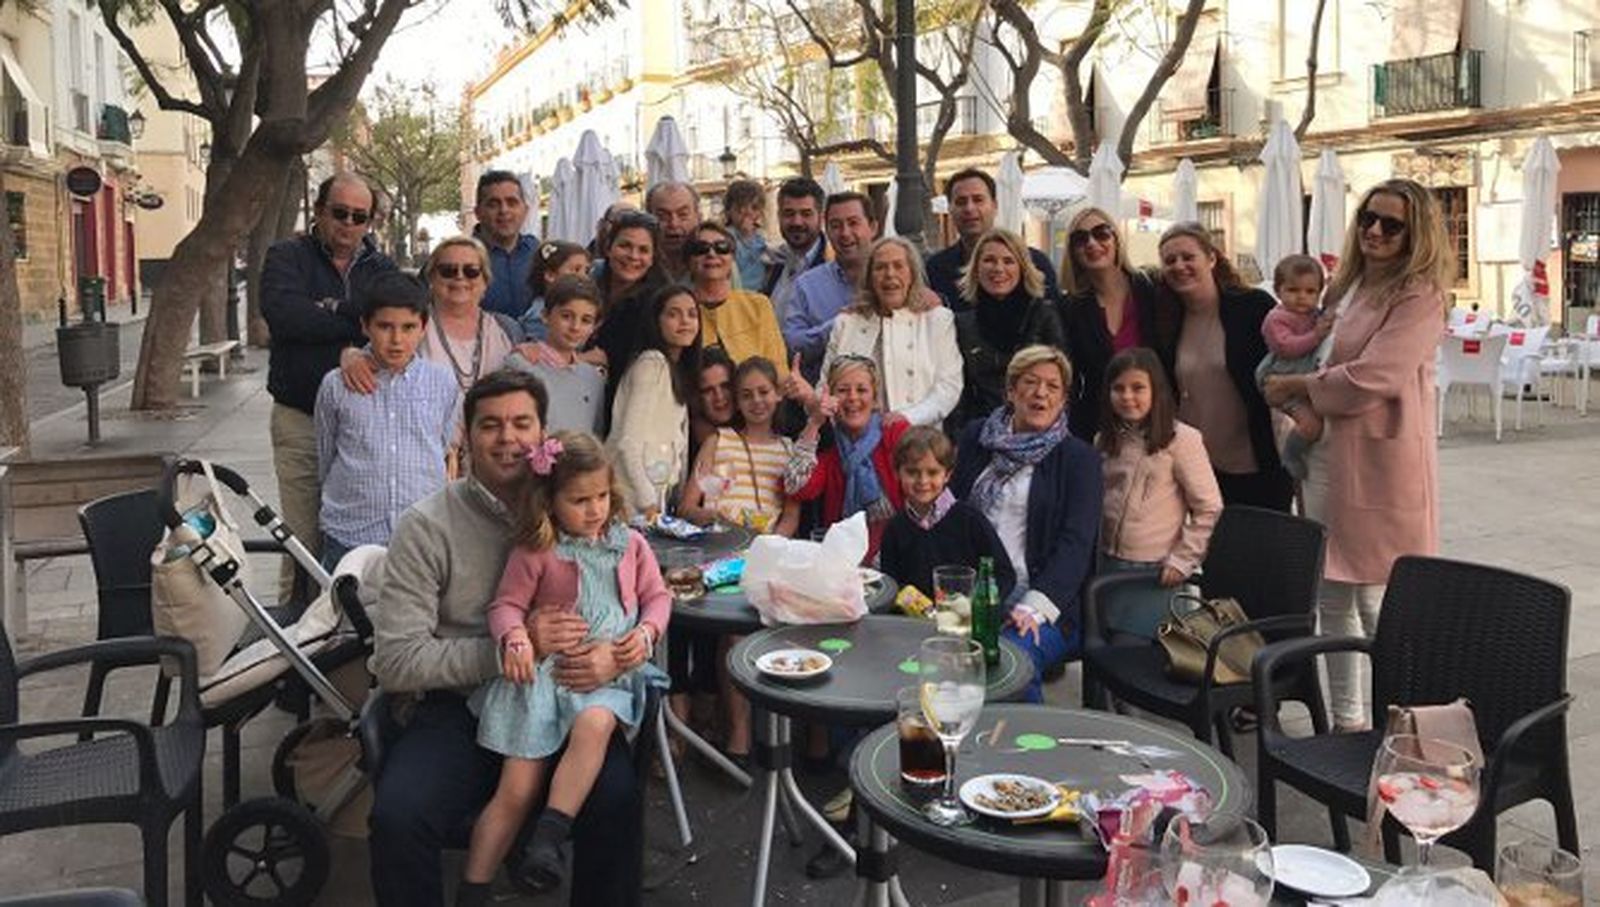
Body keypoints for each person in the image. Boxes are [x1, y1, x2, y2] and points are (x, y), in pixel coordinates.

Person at [368, 369, 644, 907]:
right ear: (466, 435)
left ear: (544, 434)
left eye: (522, 423)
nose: (508, 438)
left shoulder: (586, 513)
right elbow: (396, 660)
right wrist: (513, 650)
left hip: (567, 698)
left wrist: (620, 657)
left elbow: (635, 604)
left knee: (617, 799)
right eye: (490, 426)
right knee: (399, 814)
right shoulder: (426, 528)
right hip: (458, 711)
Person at [1262, 178, 1447, 732]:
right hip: (1326, 458)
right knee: (1332, 590)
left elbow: (1377, 376)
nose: (1375, 230)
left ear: (1416, 234)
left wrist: (1298, 388)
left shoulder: (1420, 295)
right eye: (1369, 217)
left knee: (1377, 597)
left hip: (1380, 464)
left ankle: (1405, 719)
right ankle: (1349, 720)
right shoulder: (1346, 286)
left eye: (1391, 224)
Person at [457, 431, 669, 904]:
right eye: (578, 500)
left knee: (595, 725)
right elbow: (505, 605)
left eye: (600, 497)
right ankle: (473, 887)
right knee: (515, 788)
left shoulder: (629, 544)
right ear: (549, 502)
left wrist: (646, 634)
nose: (593, 510)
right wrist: (514, 637)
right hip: (545, 679)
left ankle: (551, 835)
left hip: (608, 674)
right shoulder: (537, 551)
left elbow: (658, 597)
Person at [262, 172, 397, 600]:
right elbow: (285, 317)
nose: (349, 224)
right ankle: (296, 636)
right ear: (320, 211)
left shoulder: (381, 268)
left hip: (361, 425)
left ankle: (345, 632)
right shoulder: (287, 256)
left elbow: (387, 328)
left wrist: (331, 308)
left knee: (353, 535)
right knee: (301, 537)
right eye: (340, 213)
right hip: (300, 419)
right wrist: (347, 342)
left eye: (360, 217)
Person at [951, 345, 1101, 703]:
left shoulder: (1078, 459)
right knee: (933, 654)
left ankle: (1031, 753)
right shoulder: (976, 437)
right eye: (1030, 383)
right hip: (976, 593)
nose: (1040, 393)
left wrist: (1033, 606)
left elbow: (1076, 545)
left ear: (1064, 399)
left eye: (1052, 386)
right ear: (1010, 391)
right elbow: (952, 511)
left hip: (1043, 598)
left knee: (1013, 661)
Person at [314, 272, 457, 572]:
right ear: (365, 325)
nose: (396, 339)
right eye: (385, 327)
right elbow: (326, 454)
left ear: (423, 327)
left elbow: (440, 445)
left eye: (408, 327)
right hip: (350, 531)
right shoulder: (336, 385)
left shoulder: (442, 382)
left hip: (419, 534)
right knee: (345, 615)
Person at [1151, 222, 1291, 512]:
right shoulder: (1166, 322)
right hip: (1198, 468)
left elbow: (1288, 365)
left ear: (1211, 259)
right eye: (1170, 260)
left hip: (1255, 464)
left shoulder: (1253, 308)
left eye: (1188, 257)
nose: (1179, 266)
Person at [1096, 347, 1223, 625]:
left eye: (1138, 387)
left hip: (1154, 570)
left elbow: (1209, 506)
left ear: (1156, 390)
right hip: (1107, 564)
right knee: (1101, 645)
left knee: (1132, 648)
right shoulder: (1104, 441)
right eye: (1119, 388)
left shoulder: (1181, 440)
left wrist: (1183, 559)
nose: (1128, 396)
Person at [818, 236, 962, 428]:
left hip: (918, 439)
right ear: (869, 277)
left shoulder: (937, 320)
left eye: (898, 266)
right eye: (880, 267)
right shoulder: (846, 323)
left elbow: (949, 387)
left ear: (912, 273)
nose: (889, 274)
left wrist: (908, 418)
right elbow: (825, 389)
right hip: (855, 440)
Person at [784, 355, 908, 562]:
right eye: (842, 390)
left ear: (875, 398)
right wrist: (815, 421)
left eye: (861, 390)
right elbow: (796, 486)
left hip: (899, 555)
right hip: (846, 562)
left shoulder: (895, 432)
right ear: (830, 397)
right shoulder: (828, 448)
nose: (852, 397)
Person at [878, 425, 1016, 604]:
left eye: (933, 472)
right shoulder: (894, 529)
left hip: (965, 622)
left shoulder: (971, 521)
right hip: (912, 625)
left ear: (948, 474)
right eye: (912, 472)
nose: (923, 481)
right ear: (897, 473)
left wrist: (978, 605)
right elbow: (891, 586)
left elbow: (1004, 575)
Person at [1059, 207, 1161, 441]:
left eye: (1101, 233)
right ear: (1073, 251)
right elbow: (1069, 374)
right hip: (1098, 424)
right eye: (1080, 239)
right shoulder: (1070, 307)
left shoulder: (1151, 290)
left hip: (1156, 421)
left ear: (1116, 240)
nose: (1092, 243)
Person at [952, 228, 1065, 431]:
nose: (998, 268)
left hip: (1039, 430)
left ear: (1022, 267)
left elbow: (1063, 381)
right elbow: (961, 393)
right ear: (976, 267)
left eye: (1008, 261)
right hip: (982, 431)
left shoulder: (1044, 316)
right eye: (989, 260)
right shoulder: (962, 324)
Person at [607, 284, 701, 518]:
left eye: (692, 314)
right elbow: (628, 444)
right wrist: (649, 504)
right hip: (630, 502)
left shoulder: (675, 370)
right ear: (656, 321)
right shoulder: (652, 364)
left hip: (654, 503)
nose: (685, 321)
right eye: (673, 314)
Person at [678, 356, 799, 536]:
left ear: (778, 394)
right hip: (718, 547)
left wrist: (772, 544)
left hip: (764, 551)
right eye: (746, 395)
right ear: (737, 403)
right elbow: (686, 507)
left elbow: (791, 515)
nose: (756, 400)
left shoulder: (789, 450)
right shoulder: (717, 441)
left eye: (764, 392)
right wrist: (708, 516)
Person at [923, 168, 1059, 311]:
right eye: (961, 202)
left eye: (978, 200)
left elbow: (1054, 320)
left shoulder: (1035, 263)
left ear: (994, 206)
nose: (969, 208)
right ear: (950, 210)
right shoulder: (935, 269)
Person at [783, 192, 878, 382]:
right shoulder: (807, 285)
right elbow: (793, 346)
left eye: (853, 223)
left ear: (873, 227)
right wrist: (838, 325)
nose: (845, 233)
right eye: (836, 226)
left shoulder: (893, 279)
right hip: (826, 401)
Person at [1256, 254, 1332, 480]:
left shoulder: (1313, 314)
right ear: (1278, 291)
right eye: (1293, 290)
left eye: (1310, 292)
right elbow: (1285, 347)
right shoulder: (1276, 319)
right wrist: (1316, 336)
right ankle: (1291, 453)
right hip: (1280, 378)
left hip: (1303, 380)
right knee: (1311, 425)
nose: (1302, 297)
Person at [504, 275, 606, 434]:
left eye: (586, 320)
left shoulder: (594, 378)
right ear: (545, 316)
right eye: (566, 316)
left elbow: (594, 435)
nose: (575, 327)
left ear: (594, 327)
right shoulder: (521, 366)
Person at [686, 222, 788, 378]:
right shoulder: (681, 311)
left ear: (732, 257)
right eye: (701, 248)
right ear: (688, 260)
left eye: (721, 247)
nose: (712, 254)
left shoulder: (758, 305)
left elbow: (779, 372)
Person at [591, 211, 669, 409]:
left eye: (643, 250)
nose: (633, 256)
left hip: (628, 406)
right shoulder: (587, 287)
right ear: (608, 248)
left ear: (652, 258)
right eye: (625, 246)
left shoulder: (657, 304)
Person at [473, 170, 540, 320]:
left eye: (512, 202)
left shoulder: (539, 252)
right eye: (493, 204)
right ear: (478, 213)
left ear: (525, 210)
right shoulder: (456, 258)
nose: (504, 210)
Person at [763, 177, 829, 322]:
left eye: (806, 214)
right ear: (779, 216)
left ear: (821, 218)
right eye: (789, 214)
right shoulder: (772, 262)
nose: (797, 222)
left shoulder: (834, 266)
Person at [518, 240, 592, 342]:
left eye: (586, 271)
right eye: (576, 270)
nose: (584, 277)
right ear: (550, 275)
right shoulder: (538, 315)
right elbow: (546, 353)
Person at [646, 182, 701, 281]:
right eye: (662, 216)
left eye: (683, 215)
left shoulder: (715, 262)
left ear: (698, 217)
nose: (673, 224)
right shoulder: (637, 264)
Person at [724, 179, 770, 291]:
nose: (748, 213)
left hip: (759, 292)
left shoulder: (759, 237)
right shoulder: (727, 236)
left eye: (754, 208)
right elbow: (738, 262)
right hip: (737, 292)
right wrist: (746, 236)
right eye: (741, 209)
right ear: (729, 211)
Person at [690, 349, 737, 454]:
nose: (719, 396)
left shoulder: (756, 422)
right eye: (708, 390)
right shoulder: (689, 440)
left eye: (725, 386)